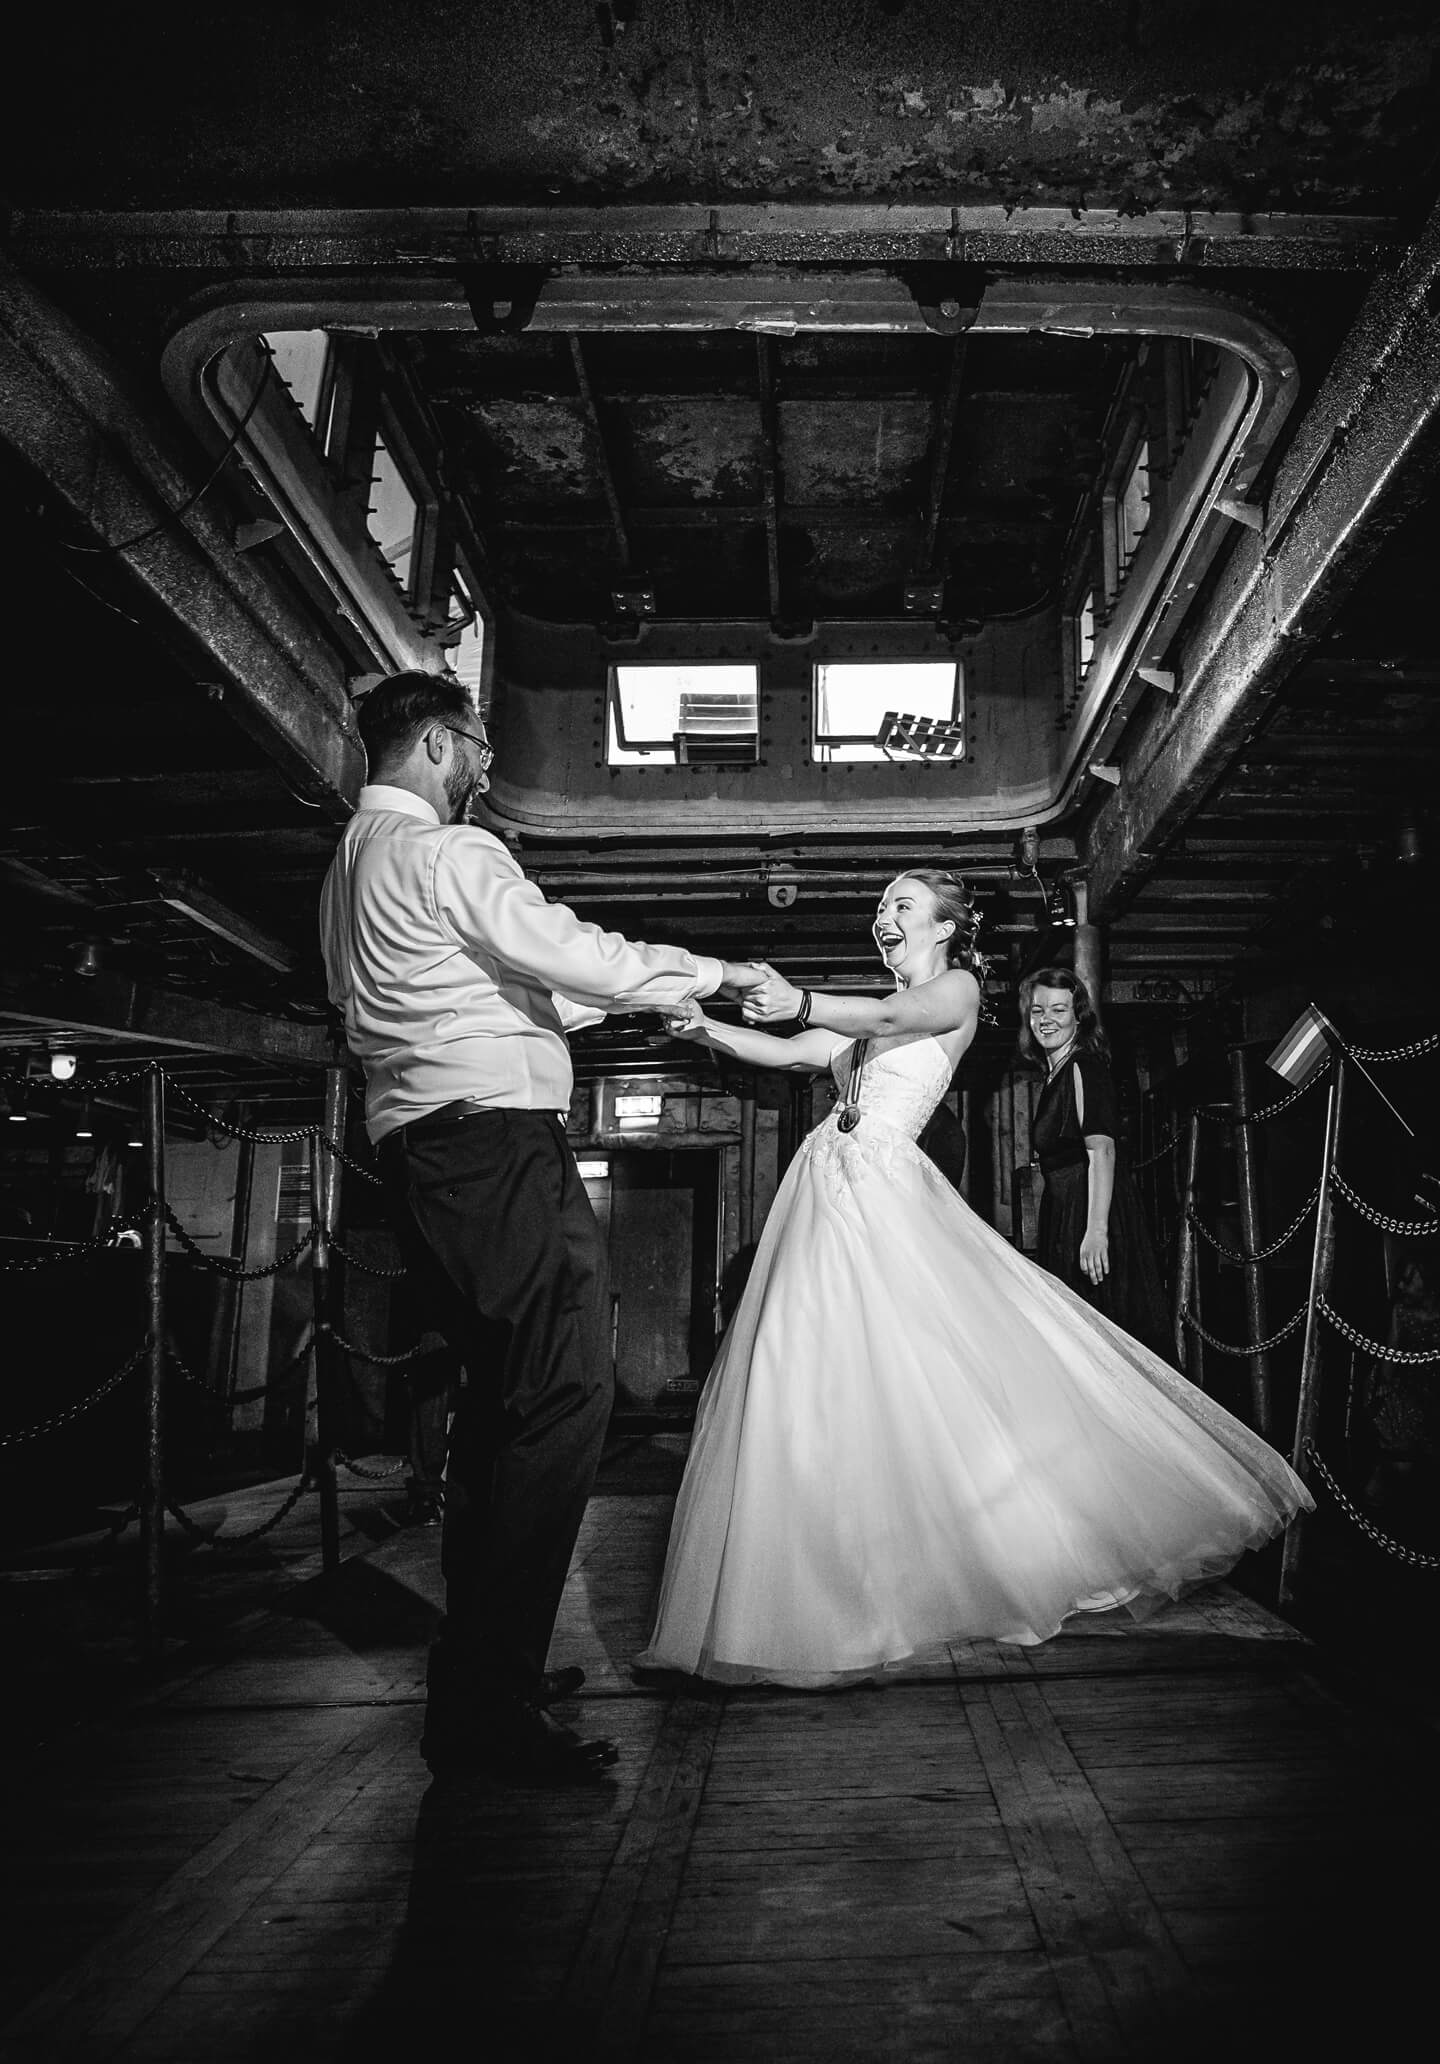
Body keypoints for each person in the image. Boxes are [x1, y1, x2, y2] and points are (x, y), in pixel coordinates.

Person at [637, 869, 1311, 1687]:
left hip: (881, 1195)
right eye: (882, 904)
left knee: (928, 1372)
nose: (885, 914)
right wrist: (702, 1028)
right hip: (826, 1191)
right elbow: (794, 1052)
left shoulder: (953, 990)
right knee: (814, 1371)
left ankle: (999, 1542)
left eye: (903, 905)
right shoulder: (870, 1016)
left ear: (947, 927)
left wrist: (803, 1000)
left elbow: (878, 1016)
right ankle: (830, 1577)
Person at [319, 670, 761, 1778]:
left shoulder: (351, 870)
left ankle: (485, 1670)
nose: (483, 768)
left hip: (423, 1151)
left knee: (503, 1403)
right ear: (432, 743)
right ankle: (487, 1698)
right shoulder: (449, 852)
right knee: (568, 1392)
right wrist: (709, 972)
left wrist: (649, 997)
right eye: (473, 746)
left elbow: (499, 986)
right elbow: (556, 948)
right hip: (495, 1146)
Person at [1020, 966, 1171, 1357]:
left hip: (1090, 1212)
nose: (1046, 1020)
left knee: (1100, 1336)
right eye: (1038, 1011)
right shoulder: (1055, 1072)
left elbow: (1101, 1150)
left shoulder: (1083, 1067)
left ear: (1078, 1017)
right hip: (1065, 1211)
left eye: (1059, 1010)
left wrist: (1097, 1230)